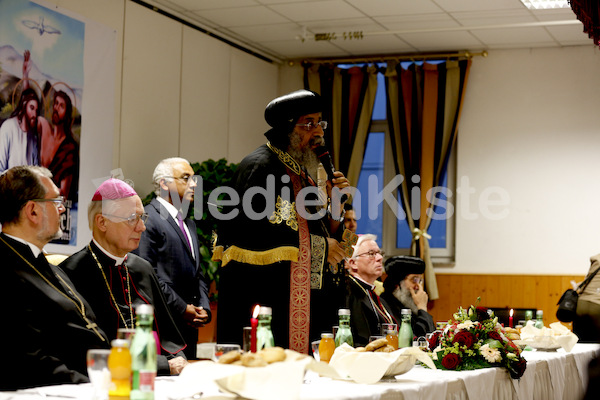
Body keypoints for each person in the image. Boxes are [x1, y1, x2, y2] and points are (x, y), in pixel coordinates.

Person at [214, 89, 349, 353]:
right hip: (267, 294)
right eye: (309, 124)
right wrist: (320, 247)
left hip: (303, 298)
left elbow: (323, 231)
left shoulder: (302, 173)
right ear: (288, 127)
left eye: (320, 123)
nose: (319, 132)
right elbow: (249, 232)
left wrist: (336, 204)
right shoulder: (259, 167)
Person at [60, 178, 188, 375]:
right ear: (102, 222)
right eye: (132, 219)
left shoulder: (143, 268)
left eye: (141, 218)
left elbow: (170, 341)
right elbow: (84, 351)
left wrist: (175, 362)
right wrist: (160, 366)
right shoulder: (71, 273)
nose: (141, 227)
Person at [0, 166, 109, 389]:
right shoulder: (5, 270)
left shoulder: (48, 265)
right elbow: (30, 362)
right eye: (56, 201)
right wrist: (98, 385)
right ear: (32, 211)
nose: (62, 209)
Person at [134, 157, 211, 360]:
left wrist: (203, 307)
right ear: (164, 183)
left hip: (190, 326)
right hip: (163, 326)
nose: (194, 184)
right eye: (186, 178)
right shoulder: (148, 219)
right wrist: (182, 308)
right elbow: (146, 275)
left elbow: (198, 273)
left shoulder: (189, 223)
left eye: (194, 179)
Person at [345, 234, 396, 347]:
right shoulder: (349, 293)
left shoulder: (371, 293)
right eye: (371, 254)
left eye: (379, 253)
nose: (379, 258)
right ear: (353, 263)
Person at [380, 255, 435, 339]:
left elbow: (432, 337)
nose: (418, 286)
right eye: (414, 280)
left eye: (420, 280)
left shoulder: (406, 304)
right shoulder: (385, 305)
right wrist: (422, 308)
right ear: (397, 283)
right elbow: (418, 338)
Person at [0, 88, 42, 171]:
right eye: (32, 108)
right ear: (24, 106)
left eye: (36, 111)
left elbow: (36, 169)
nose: (34, 114)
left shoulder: (33, 136)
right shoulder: (8, 127)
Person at [573, 254, 600, 343]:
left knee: (580, 346)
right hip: (597, 306)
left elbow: (588, 281)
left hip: (581, 304)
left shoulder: (597, 258)